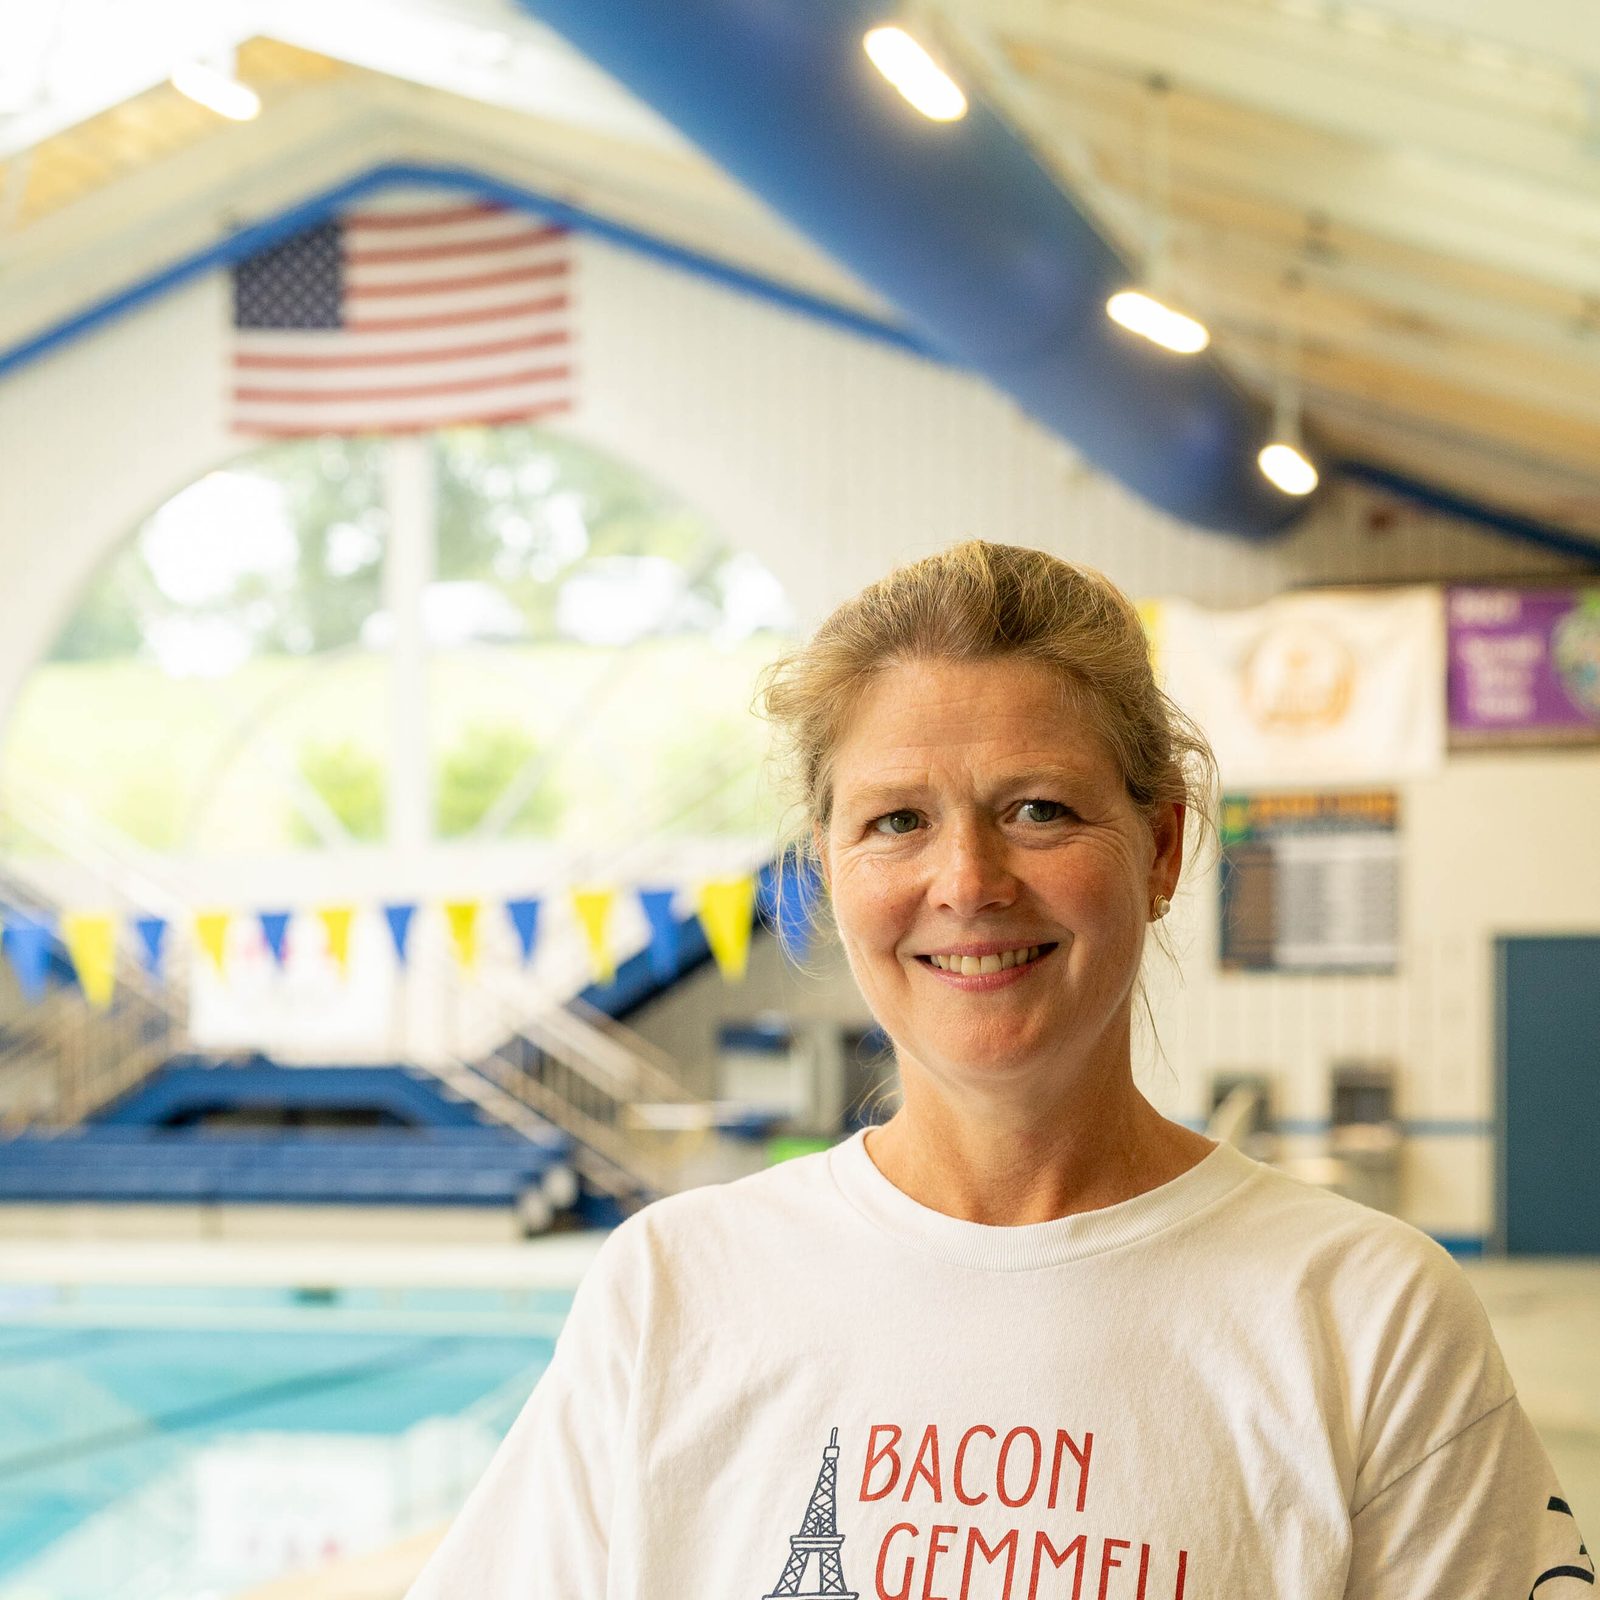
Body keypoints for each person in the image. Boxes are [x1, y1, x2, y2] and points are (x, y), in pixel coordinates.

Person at [407, 540, 1590, 1598]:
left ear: (1162, 847)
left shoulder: (1363, 1314)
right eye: (896, 821)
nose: (967, 881)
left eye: (1037, 809)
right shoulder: (671, 1290)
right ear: (826, 868)